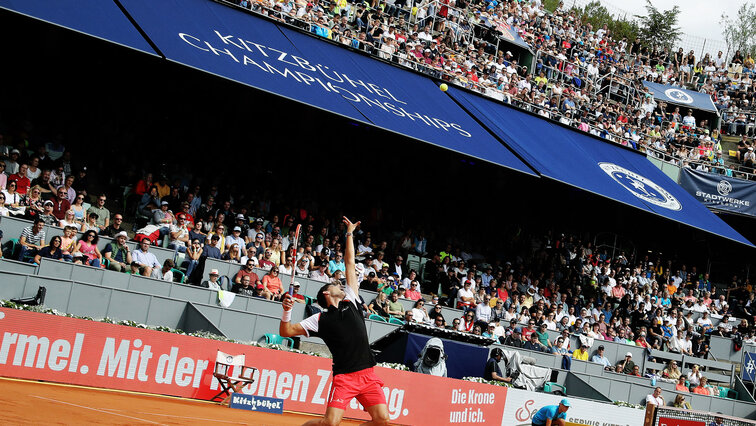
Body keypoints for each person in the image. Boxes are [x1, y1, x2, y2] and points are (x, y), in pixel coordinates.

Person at [278, 216, 390, 426]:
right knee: (329, 424)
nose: (339, 284)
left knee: (382, 420)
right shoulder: (319, 319)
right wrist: (286, 311)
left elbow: (349, 262)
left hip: (367, 374)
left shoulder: (352, 299)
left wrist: (349, 233)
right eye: (334, 284)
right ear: (327, 294)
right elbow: (287, 331)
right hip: (345, 377)